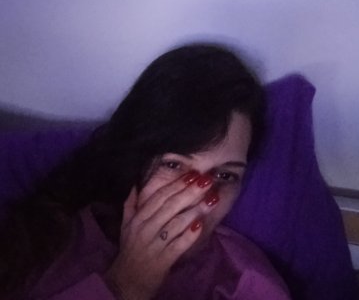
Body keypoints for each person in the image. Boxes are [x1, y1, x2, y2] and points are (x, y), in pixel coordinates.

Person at [0, 43, 291, 300]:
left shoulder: (247, 285)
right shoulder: (42, 242)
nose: (198, 199)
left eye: (225, 176)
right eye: (173, 164)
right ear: (136, 157)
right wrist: (124, 287)